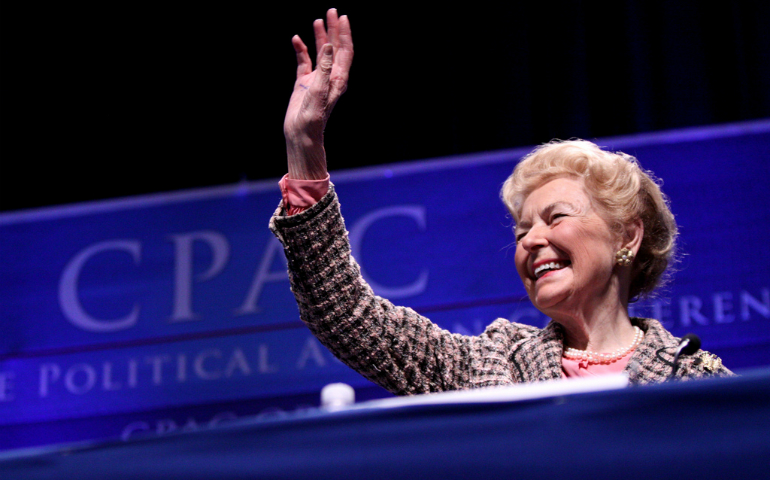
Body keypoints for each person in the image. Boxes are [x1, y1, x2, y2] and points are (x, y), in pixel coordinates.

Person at [269, 9, 732, 394]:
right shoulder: (491, 368)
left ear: (627, 236)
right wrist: (304, 149)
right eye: (521, 231)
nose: (532, 241)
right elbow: (345, 313)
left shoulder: (696, 382)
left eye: (556, 218)